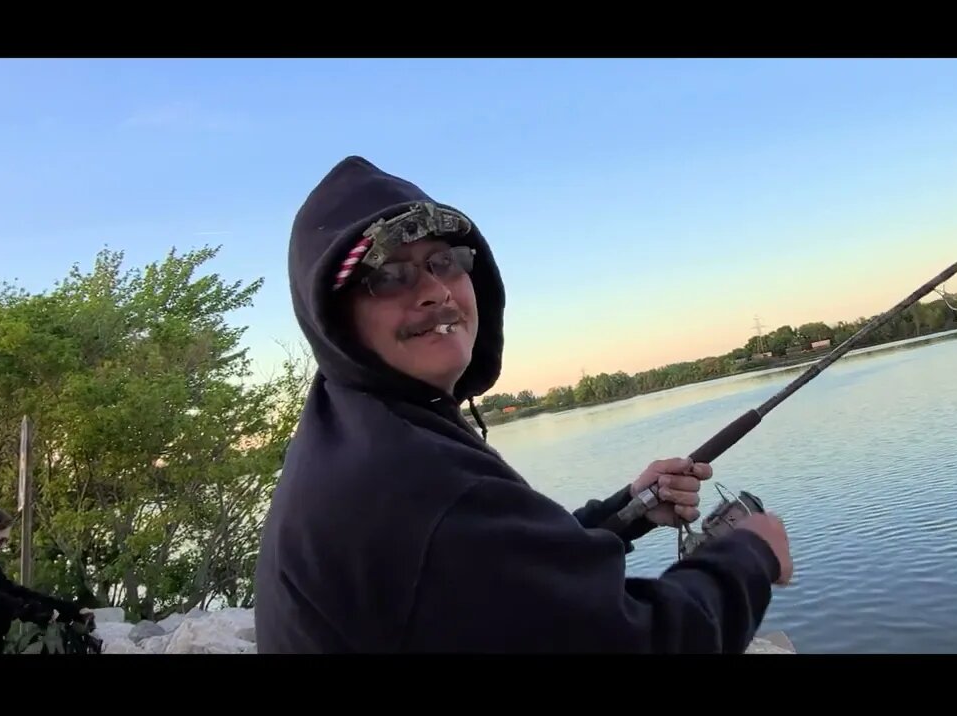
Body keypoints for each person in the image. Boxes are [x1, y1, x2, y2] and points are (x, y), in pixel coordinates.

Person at [253, 156, 794, 653]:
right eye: (389, 276)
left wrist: (625, 512)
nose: (435, 292)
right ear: (333, 317)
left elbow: (495, 569)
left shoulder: (356, 428)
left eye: (443, 262)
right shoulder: (413, 480)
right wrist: (750, 554)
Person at [0, 507, 93, 655]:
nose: (2, 547)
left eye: (5, 541)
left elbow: (19, 593)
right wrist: (30, 610)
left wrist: (71, 611)